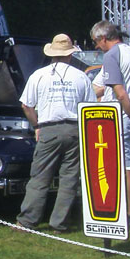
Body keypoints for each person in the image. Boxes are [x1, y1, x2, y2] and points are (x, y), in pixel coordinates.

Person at [15, 34, 97, 233]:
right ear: (70, 54)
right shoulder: (81, 76)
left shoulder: (39, 75)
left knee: (40, 177)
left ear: (52, 54)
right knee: (69, 178)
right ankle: (59, 223)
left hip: (48, 128)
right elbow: (91, 107)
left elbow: (26, 105)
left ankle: (27, 221)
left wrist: (37, 126)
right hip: (74, 129)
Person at [90, 21, 130, 228]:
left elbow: (120, 93)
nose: (96, 47)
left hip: (120, 117)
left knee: (122, 167)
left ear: (103, 38)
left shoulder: (111, 55)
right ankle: (128, 211)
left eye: (96, 42)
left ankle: (128, 215)